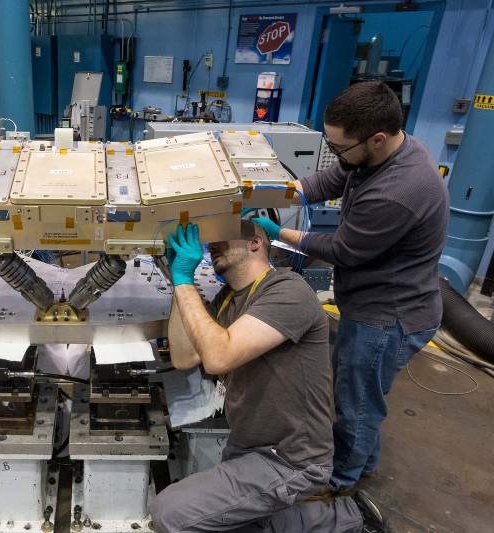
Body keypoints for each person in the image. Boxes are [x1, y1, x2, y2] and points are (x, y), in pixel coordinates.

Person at [253, 81, 450, 494]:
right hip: (370, 302)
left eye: (341, 146)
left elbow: (344, 249)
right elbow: (328, 179)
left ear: (376, 138)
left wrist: (277, 233)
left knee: (356, 404)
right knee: (363, 397)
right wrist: (266, 193)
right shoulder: (379, 153)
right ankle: (363, 464)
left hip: (386, 316)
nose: (337, 153)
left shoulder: (400, 190)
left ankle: (341, 479)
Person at [150, 221, 384, 532]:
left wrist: (183, 282)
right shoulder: (227, 301)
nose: (210, 245)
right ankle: (347, 516)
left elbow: (219, 356)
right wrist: (176, 278)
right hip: (248, 446)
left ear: (256, 242)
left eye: (220, 236)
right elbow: (183, 357)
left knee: (170, 513)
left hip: (291, 458)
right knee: (228, 521)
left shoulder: (289, 290)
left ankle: (346, 519)